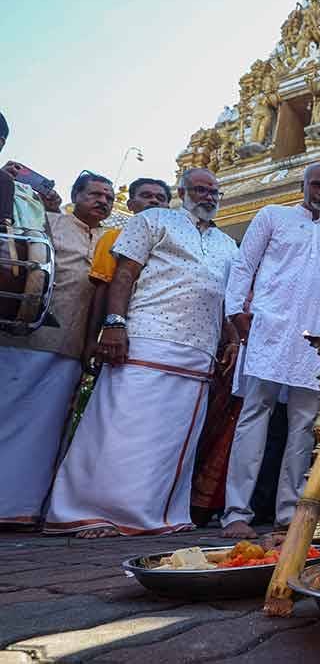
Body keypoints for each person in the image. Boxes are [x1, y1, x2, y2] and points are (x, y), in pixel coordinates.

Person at [44, 168, 239, 537]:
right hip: (147, 336)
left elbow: (224, 297)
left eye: (215, 191)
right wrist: (114, 324)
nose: (208, 197)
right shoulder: (155, 220)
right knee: (121, 427)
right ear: (182, 192)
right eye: (200, 189)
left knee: (170, 438)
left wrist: (229, 338)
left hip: (199, 348)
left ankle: (151, 515)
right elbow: (124, 274)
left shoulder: (227, 244)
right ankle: (89, 512)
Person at [221, 163, 320, 539]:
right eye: (317, 182)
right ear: (303, 185)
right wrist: (236, 311)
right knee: (254, 417)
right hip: (269, 329)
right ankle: (235, 512)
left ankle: (289, 512)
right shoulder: (273, 216)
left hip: (314, 341)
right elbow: (244, 263)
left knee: (305, 425)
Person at [0, 173, 113, 526]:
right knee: (9, 413)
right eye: (94, 194)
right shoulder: (49, 223)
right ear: (74, 197)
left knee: (47, 427)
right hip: (30, 334)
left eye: (108, 197)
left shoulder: (112, 239)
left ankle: (22, 506)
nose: (103, 201)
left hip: (73, 343)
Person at [84, 178, 171, 371]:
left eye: (160, 198)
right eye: (146, 196)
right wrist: (93, 339)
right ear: (130, 205)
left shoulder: (172, 244)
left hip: (161, 334)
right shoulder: (115, 237)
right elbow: (103, 288)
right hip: (120, 332)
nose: (154, 201)